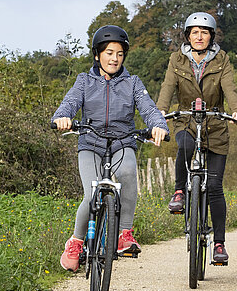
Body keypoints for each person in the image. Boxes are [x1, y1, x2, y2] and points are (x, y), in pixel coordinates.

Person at [52, 25, 169, 272]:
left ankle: (124, 234)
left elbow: (148, 109)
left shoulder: (132, 83)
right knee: (91, 191)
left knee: (127, 173)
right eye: (109, 53)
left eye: (119, 54)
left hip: (122, 141)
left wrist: (158, 126)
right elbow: (70, 103)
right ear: (97, 55)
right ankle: (75, 242)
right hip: (91, 143)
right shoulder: (84, 81)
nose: (114, 58)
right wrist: (62, 117)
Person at [155, 12, 237, 265]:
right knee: (183, 144)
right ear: (187, 35)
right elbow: (167, 87)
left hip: (215, 124)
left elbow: (230, 88)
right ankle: (179, 192)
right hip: (186, 120)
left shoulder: (222, 59)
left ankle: (219, 243)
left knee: (215, 187)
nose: (199, 36)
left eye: (204, 32)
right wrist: (159, 111)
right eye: (194, 32)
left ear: (211, 36)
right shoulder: (177, 59)